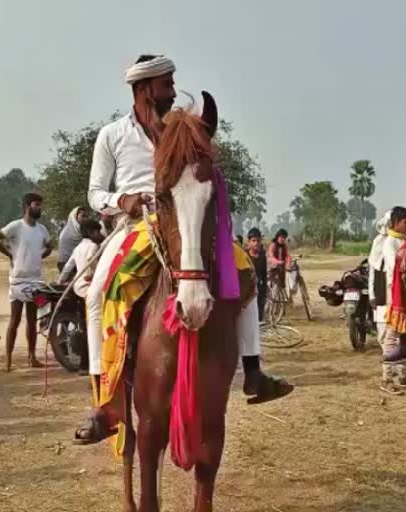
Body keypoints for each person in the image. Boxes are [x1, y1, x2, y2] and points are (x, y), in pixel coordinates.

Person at [75, 54, 292, 444]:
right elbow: (95, 193)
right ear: (144, 89)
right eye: (166, 84)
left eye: (173, 83)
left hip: (181, 219)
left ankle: (254, 372)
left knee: (243, 273)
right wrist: (123, 201)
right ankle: (104, 401)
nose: (173, 91)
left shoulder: (183, 128)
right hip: (135, 225)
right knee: (96, 292)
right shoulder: (112, 135)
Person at [0, 193, 53, 372]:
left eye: (40, 205)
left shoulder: (42, 230)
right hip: (17, 280)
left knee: (33, 319)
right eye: (36, 205)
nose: (39, 208)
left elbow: (50, 246)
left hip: (35, 280)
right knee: (15, 319)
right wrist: (10, 254)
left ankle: (32, 357)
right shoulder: (15, 226)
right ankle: (8, 360)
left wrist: (39, 256)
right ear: (27, 206)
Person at [369, 207, 406, 391]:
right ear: (396, 223)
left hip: (405, 292)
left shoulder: (404, 240)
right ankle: (387, 378)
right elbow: (394, 265)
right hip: (394, 293)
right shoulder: (390, 243)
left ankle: (403, 376)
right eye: (405, 222)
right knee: (391, 336)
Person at [55, 218, 105, 374]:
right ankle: (89, 364)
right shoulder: (94, 246)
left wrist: (59, 282)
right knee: (94, 326)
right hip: (91, 289)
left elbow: (68, 267)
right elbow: (92, 267)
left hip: (78, 289)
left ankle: (84, 364)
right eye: (97, 231)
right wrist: (94, 275)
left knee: (84, 325)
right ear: (91, 232)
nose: (100, 234)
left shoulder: (78, 248)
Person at [57, 206, 91, 272]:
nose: (86, 219)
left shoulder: (87, 232)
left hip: (84, 268)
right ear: (75, 217)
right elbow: (62, 261)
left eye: (87, 216)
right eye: (83, 216)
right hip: (68, 269)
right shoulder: (66, 235)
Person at [246, 227, 267, 322]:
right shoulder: (244, 255)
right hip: (246, 291)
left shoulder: (262, 256)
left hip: (259, 290)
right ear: (249, 242)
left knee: (259, 316)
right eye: (253, 241)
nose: (256, 243)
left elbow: (264, 274)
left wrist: (265, 289)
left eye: (258, 241)